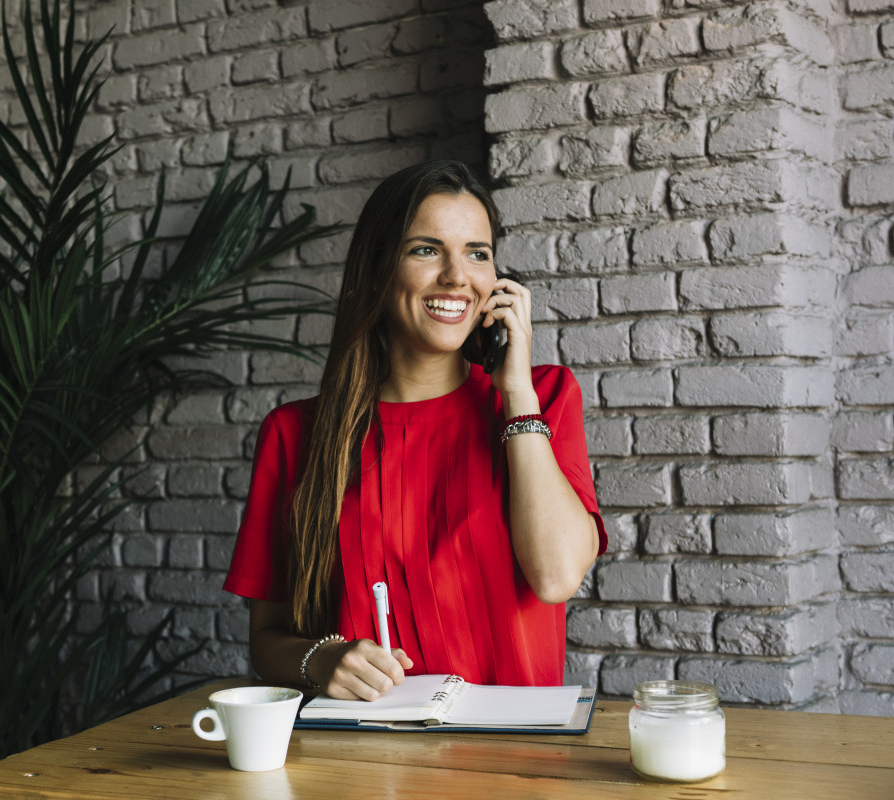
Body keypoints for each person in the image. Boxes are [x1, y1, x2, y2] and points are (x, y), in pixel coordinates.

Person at [223, 160, 606, 701]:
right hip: (361, 764)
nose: (457, 276)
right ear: (379, 269)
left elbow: (556, 576)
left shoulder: (543, 399)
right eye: (426, 249)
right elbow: (266, 642)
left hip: (514, 759)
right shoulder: (294, 434)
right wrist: (322, 658)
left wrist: (516, 394)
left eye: (477, 253)